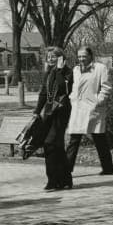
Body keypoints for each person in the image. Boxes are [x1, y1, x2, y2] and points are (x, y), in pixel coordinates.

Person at [66, 46, 113, 180]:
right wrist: (72, 99)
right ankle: (67, 170)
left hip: (94, 108)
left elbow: (106, 87)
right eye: (79, 56)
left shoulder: (100, 68)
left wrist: (99, 101)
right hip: (78, 108)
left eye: (84, 56)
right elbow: (73, 87)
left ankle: (108, 168)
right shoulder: (76, 70)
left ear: (90, 56)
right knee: (74, 139)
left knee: (99, 138)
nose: (81, 59)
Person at [33, 47, 73, 191]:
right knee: (56, 146)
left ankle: (53, 180)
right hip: (49, 111)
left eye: (53, 56)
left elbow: (64, 88)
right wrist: (37, 111)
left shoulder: (68, 72)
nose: (50, 59)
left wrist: (60, 70)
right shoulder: (49, 73)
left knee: (50, 143)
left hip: (61, 111)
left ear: (61, 58)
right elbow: (44, 93)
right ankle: (65, 179)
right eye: (48, 57)